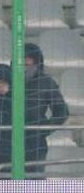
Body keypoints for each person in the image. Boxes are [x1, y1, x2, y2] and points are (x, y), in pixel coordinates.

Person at [20, 42, 71, 172]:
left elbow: (62, 112)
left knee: (34, 179)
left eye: (28, 59)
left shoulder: (46, 82)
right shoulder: (7, 78)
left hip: (35, 142)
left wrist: (43, 129)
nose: (24, 62)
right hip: (6, 139)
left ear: (36, 61)